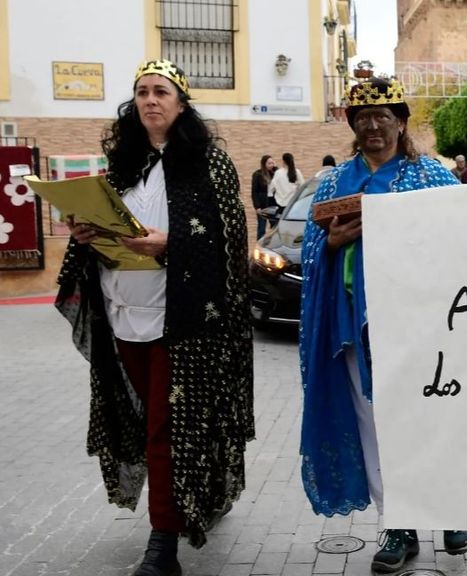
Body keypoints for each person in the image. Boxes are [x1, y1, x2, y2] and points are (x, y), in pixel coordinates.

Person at [55, 59, 254, 576]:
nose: (150, 100)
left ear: (181, 103)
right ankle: (200, 494)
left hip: (182, 322)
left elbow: (231, 239)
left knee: (166, 429)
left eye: (161, 91)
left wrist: (172, 244)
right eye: (141, 92)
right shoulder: (121, 166)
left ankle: (162, 545)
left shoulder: (208, 163)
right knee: (151, 423)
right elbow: (106, 233)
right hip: (123, 316)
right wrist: (86, 238)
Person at [299, 75, 467, 574]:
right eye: (363, 118)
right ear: (353, 126)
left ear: (401, 122)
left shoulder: (433, 177)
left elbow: (462, 245)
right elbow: (311, 252)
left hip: (420, 327)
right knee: (374, 426)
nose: (373, 126)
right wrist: (331, 246)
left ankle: (452, 509)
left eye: (383, 117)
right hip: (354, 326)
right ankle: (397, 523)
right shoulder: (332, 184)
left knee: (431, 419)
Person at [251, 154, 276, 239]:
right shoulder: (257, 175)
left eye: (272, 163)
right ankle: (259, 246)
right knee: (261, 227)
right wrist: (257, 206)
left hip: (272, 204)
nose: (271, 165)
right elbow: (254, 192)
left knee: (274, 226)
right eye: (269, 163)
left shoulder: (275, 173)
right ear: (264, 164)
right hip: (262, 205)